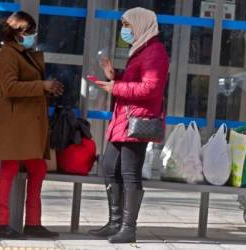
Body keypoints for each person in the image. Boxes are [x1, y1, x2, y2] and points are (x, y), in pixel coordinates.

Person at [89, 7, 169, 243]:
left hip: (138, 122)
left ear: (141, 23)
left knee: (129, 173)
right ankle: (114, 222)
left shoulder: (155, 52)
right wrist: (115, 76)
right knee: (109, 166)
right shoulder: (141, 49)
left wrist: (116, 87)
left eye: (127, 25)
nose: (124, 30)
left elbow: (151, 88)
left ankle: (128, 227)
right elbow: (136, 81)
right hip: (124, 119)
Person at [0, 11, 64, 239]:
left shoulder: (25, 53)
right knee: (9, 168)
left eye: (34, 31)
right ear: (18, 32)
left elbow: (30, 85)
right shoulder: (7, 54)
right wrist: (41, 85)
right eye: (29, 31)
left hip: (28, 126)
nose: (33, 35)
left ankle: (33, 223)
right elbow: (9, 88)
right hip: (14, 124)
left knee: (38, 168)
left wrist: (49, 88)